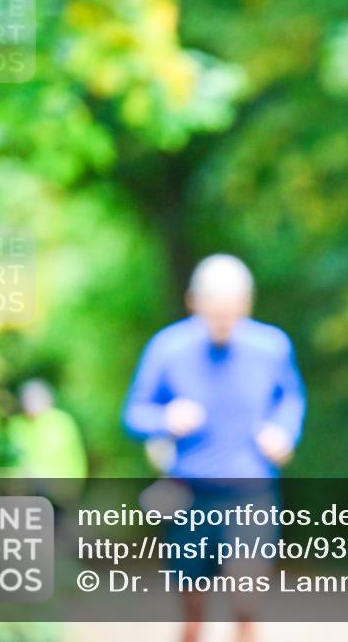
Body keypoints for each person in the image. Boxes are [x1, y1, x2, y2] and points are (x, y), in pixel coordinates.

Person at [123, 254, 306, 642]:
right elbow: (134, 414)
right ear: (194, 302)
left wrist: (284, 431)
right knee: (193, 615)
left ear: (248, 303)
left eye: (233, 308)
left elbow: (291, 398)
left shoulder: (272, 346)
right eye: (216, 309)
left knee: (246, 600)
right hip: (188, 494)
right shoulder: (167, 347)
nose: (225, 319)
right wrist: (165, 417)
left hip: (251, 490)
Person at [8, 378, 88, 484]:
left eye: (36, 398)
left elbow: (74, 459)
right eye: (28, 399)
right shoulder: (16, 424)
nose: (31, 403)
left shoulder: (61, 422)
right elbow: (10, 459)